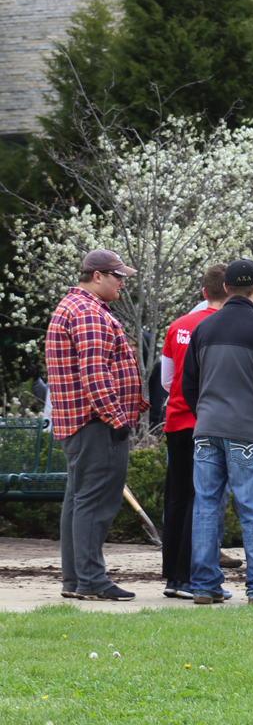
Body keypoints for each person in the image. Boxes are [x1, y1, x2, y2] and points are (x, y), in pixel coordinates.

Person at [181, 259, 253, 605]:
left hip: (208, 428)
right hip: (249, 430)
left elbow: (188, 384)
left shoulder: (204, 328)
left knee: (206, 505)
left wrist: (205, 412)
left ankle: (204, 585)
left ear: (226, 288)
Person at [46, 249, 148, 601]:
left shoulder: (74, 307)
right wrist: (117, 418)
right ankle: (90, 580)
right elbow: (95, 372)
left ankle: (75, 579)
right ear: (97, 276)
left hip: (81, 422)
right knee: (94, 502)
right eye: (117, 275)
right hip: (95, 423)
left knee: (78, 500)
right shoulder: (88, 313)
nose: (123, 282)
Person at [160, 263, 227, 599]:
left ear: (204, 292)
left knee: (176, 497)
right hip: (207, 422)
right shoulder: (222, 327)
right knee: (201, 500)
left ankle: (172, 575)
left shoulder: (177, 326)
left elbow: (165, 380)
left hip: (176, 421)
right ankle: (189, 576)